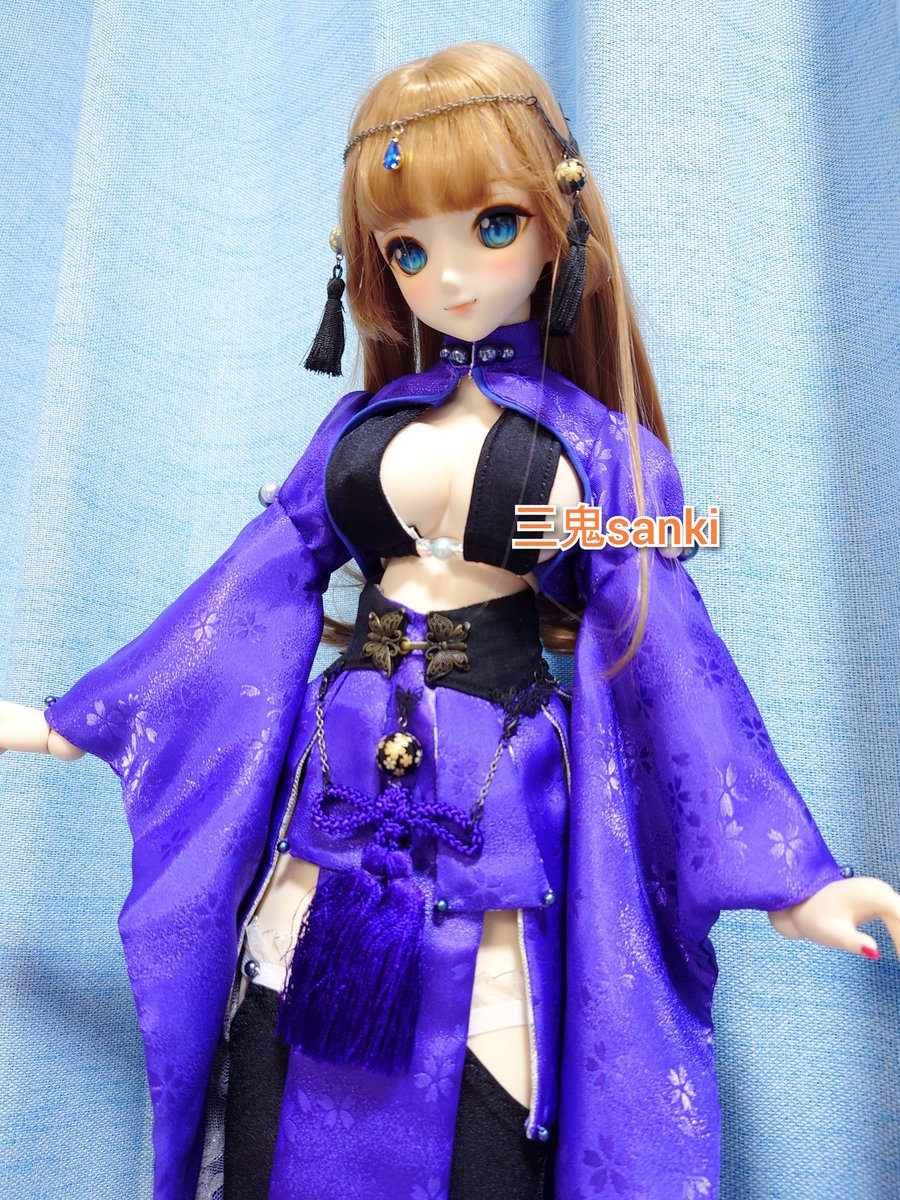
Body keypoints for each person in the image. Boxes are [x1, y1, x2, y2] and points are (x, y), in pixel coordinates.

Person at [2, 41, 898, 1200]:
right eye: (409, 249)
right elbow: (247, 593)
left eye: (492, 227)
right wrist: (75, 719)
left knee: (479, 1082)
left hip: (491, 807)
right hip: (337, 809)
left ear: (559, 226)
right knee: (282, 1052)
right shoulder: (361, 427)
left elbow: (673, 654)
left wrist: (791, 877)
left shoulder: (602, 453)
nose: (453, 278)